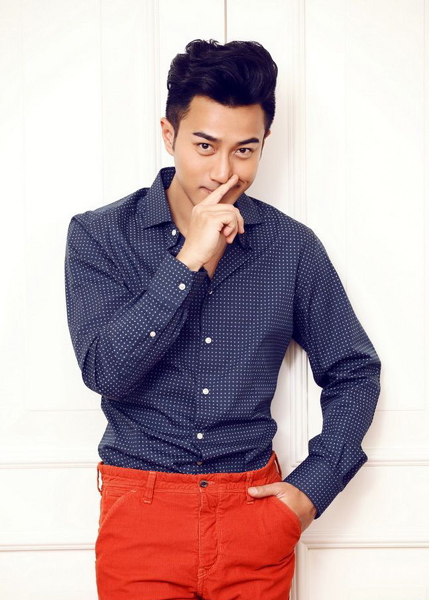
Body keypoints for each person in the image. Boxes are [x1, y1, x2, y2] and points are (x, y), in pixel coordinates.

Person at [64, 38, 382, 600]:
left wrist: (312, 489)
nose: (223, 172)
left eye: (244, 150)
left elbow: (354, 370)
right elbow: (106, 372)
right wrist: (188, 259)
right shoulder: (100, 236)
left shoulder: (291, 247)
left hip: (254, 515)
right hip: (141, 515)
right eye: (205, 146)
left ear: (263, 146)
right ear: (169, 135)